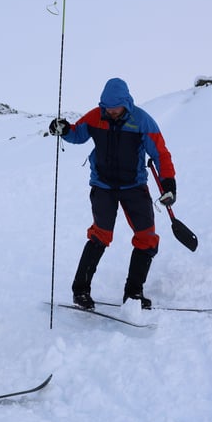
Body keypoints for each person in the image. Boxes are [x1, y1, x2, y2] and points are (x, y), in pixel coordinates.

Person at [49, 77, 177, 310]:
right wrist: (64, 129)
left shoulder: (142, 121)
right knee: (100, 235)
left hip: (134, 186)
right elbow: (77, 134)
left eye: (115, 108)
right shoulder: (96, 116)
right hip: (103, 186)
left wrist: (168, 183)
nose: (111, 111)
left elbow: (160, 154)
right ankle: (80, 292)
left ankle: (133, 293)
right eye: (107, 107)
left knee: (147, 238)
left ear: (125, 103)